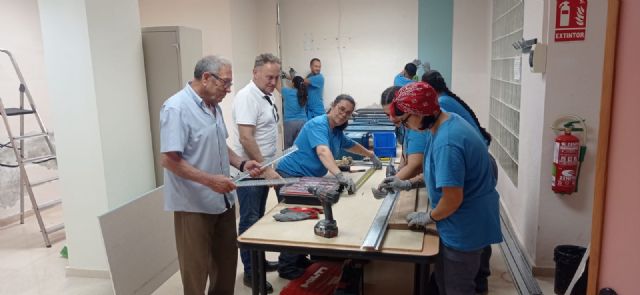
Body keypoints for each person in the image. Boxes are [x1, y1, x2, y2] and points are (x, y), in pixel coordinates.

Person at [160, 55, 261, 295]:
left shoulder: (212, 105)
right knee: (196, 273)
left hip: (223, 201)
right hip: (194, 205)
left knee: (226, 267)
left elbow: (220, 145)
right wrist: (210, 181)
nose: (228, 89)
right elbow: (169, 160)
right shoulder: (176, 108)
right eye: (225, 83)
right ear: (206, 78)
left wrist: (242, 163)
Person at [390, 82, 502, 295]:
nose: (407, 128)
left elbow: (452, 199)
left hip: (464, 227)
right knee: (444, 281)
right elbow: (439, 174)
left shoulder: (447, 142)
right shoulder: (445, 122)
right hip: (464, 221)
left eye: (405, 122)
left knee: (457, 288)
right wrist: (408, 183)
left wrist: (428, 216)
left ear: (419, 113)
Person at [275, 94, 383, 278]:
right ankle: (286, 267)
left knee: (306, 217)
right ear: (332, 106)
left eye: (348, 113)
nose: (343, 114)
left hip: (306, 177)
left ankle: (299, 259)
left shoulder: (336, 131)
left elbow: (351, 145)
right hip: (290, 175)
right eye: (341, 109)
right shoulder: (319, 124)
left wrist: (371, 155)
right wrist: (339, 175)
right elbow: (323, 151)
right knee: (297, 219)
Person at [230, 53, 283, 293]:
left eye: (276, 77)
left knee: (259, 218)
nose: (273, 81)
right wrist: (266, 168)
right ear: (255, 73)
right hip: (251, 172)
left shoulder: (267, 96)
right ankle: (251, 273)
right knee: (250, 221)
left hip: (263, 168)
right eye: (269, 77)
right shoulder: (247, 97)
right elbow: (246, 137)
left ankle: (259, 262)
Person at [372, 86, 429, 198]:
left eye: (395, 113)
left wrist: (389, 185)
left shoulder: (416, 126)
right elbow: (406, 149)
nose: (391, 119)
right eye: (388, 115)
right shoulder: (406, 123)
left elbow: (415, 165)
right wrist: (398, 172)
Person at [280, 76, 308, 149]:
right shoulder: (304, 94)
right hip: (303, 123)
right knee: (299, 147)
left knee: (288, 148)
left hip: (290, 123)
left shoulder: (287, 92)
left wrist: (279, 74)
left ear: (293, 84)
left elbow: (277, 85)